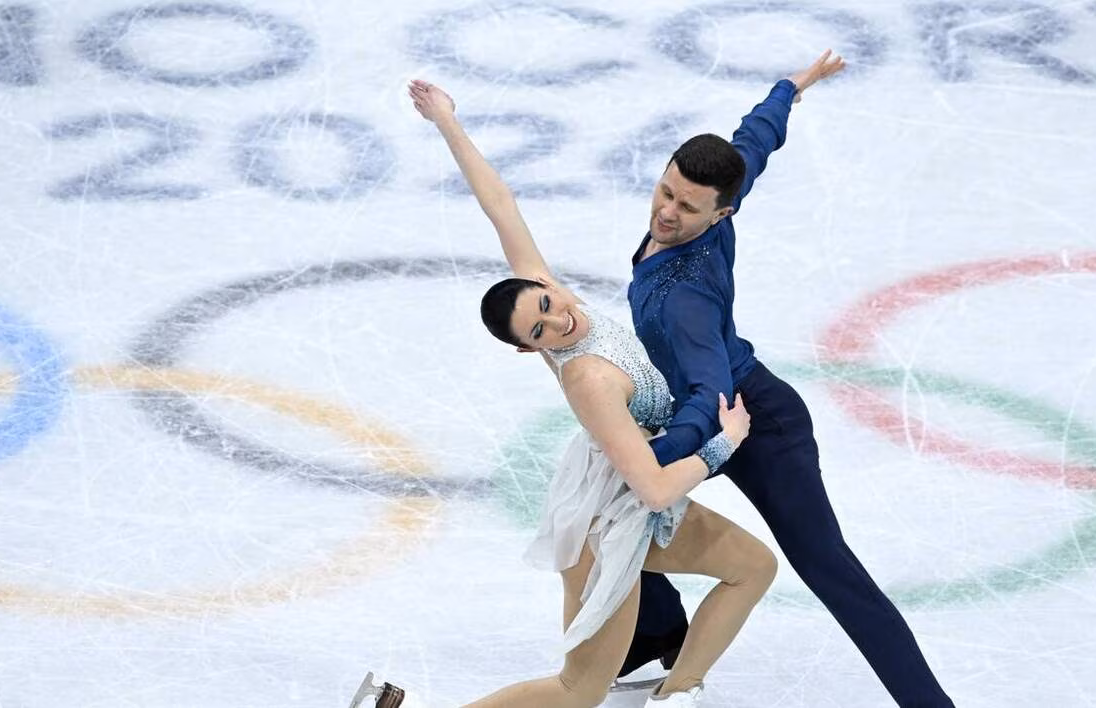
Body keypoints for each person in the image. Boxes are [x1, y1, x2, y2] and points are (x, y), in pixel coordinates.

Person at [354, 78, 779, 708]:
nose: (559, 321)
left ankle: (678, 694)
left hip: (628, 503)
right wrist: (725, 443)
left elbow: (500, 205)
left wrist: (446, 122)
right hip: (605, 521)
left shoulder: (559, 303)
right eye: (541, 329)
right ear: (531, 347)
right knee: (579, 692)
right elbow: (656, 487)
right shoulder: (588, 378)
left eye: (548, 303)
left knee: (753, 568)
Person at [623, 49, 956, 707]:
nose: (667, 214)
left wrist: (657, 455)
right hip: (721, 405)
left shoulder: (682, 297)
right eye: (666, 193)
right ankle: (656, 628)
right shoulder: (719, 197)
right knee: (610, 500)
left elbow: (709, 392)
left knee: (830, 568)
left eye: (688, 208)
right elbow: (751, 145)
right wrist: (789, 89)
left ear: (720, 215)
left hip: (752, 423)